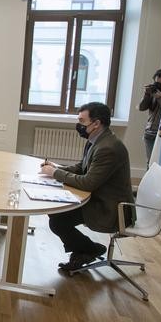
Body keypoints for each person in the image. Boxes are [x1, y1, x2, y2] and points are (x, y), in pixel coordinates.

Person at [39, 102, 134, 271]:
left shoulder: (108, 148)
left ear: (96, 123)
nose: (78, 125)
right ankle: (84, 250)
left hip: (110, 208)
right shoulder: (97, 140)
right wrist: (57, 168)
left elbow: (88, 182)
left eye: (82, 121)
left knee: (58, 219)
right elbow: (82, 167)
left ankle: (89, 249)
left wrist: (55, 173)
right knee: (57, 214)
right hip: (99, 198)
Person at [138, 68, 161, 165]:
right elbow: (141, 107)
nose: (160, 86)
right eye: (157, 83)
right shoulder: (154, 91)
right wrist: (147, 94)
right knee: (151, 162)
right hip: (150, 132)